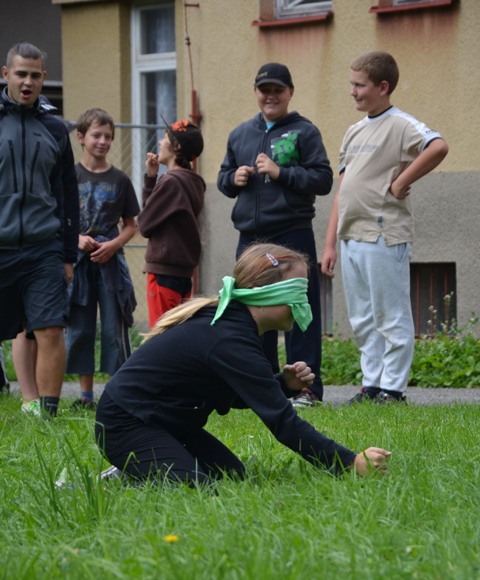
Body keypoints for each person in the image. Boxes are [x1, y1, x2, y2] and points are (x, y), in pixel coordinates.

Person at [95, 243, 391, 486]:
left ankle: (139, 467)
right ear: (266, 293)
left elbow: (236, 394)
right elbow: (283, 423)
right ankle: (127, 475)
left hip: (167, 424)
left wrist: (282, 385)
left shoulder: (238, 327)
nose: (304, 301)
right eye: (298, 291)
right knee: (195, 489)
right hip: (126, 424)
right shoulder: (230, 338)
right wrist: (349, 462)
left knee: (231, 477)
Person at [321, 51, 449, 405]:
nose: (352, 91)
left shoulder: (401, 124)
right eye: (351, 84)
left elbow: (438, 147)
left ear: (382, 87)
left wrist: (401, 181)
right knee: (362, 318)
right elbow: (343, 190)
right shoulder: (354, 131)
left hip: (383, 235)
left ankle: (393, 388)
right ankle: (372, 384)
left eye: (359, 85)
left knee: (390, 316)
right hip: (351, 237)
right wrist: (330, 243)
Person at [217, 63, 333, 408]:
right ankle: (264, 385)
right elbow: (223, 178)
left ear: (290, 92)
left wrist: (281, 172)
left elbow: (323, 179)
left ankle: (307, 388)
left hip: (291, 233)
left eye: (278, 90)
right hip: (250, 239)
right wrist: (232, 179)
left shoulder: (304, 132)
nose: (271, 96)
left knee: (299, 309)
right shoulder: (240, 134)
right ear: (255, 92)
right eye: (264, 90)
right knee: (253, 312)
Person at [0, 42, 79, 417]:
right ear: (6, 75)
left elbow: (67, 195)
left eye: (35, 75)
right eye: (20, 74)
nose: (27, 82)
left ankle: (47, 415)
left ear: (44, 78)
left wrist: (67, 255)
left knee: (49, 329)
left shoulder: (56, 129)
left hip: (43, 247)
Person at [65, 108, 140, 409]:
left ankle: (116, 395)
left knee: (113, 329)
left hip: (111, 267)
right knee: (80, 327)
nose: (103, 141)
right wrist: (76, 239)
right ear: (81, 137)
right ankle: (85, 396)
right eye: (96, 135)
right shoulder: (68, 176)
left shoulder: (120, 179)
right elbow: (57, 219)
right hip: (78, 265)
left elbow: (132, 225)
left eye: (108, 136)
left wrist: (113, 245)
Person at [137, 119, 205, 329]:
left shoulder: (170, 182)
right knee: (176, 334)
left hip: (164, 274)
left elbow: (144, 224)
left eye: (165, 137)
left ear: (176, 147)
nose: (160, 142)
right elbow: (154, 213)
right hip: (182, 274)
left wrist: (152, 181)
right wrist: (152, 177)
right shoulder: (193, 181)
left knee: (161, 335)